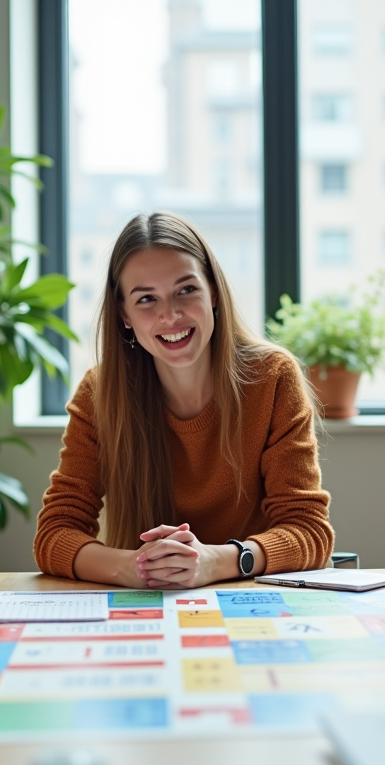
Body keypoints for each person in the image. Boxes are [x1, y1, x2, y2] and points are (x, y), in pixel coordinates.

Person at [35, 212, 334, 588]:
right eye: (146, 299)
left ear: (212, 292)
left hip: (252, 602)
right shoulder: (100, 393)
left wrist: (214, 561)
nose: (170, 315)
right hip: (145, 603)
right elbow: (55, 534)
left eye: (186, 290)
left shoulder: (273, 377)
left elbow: (309, 531)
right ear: (124, 314)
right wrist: (134, 567)